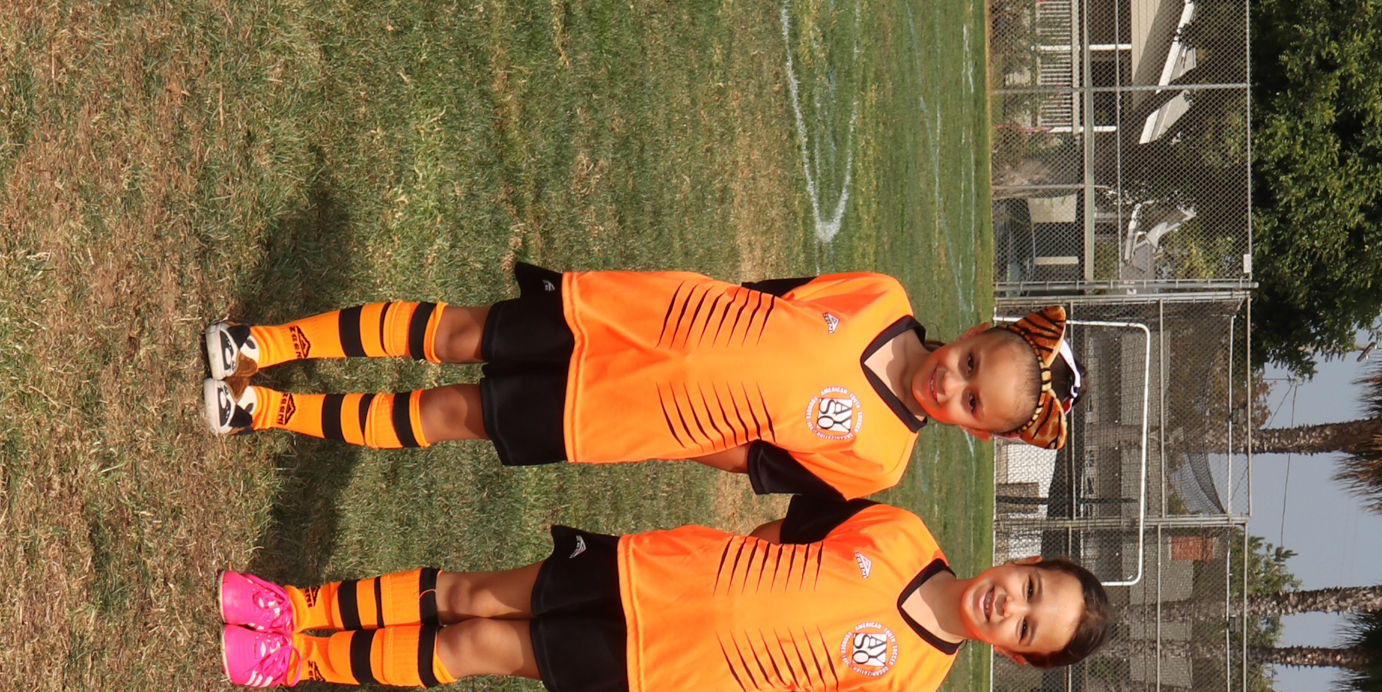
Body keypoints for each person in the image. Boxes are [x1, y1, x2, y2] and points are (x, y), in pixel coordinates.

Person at [200, 270, 1081, 499]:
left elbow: (750, 461)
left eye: (972, 404)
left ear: (975, 433)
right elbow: (767, 295)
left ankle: (265, 407)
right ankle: (266, 343)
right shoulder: (881, 298)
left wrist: (664, 422)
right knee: (463, 331)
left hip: (620, 414)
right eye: (972, 363)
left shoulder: (879, 460)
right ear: (974, 332)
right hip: (637, 318)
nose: (952, 384)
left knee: (457, 411)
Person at [215, 496, 1108, 692]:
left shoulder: (909, 687)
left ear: (1014, 654)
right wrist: (725, 574)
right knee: (475, 592)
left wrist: (713, 690)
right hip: (656, 574)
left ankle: (299, 659)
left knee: (482, 645)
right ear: (1024, 560)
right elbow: (783, 534)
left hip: (660, 670)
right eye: (1031, 588)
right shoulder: (901, 531)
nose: (1010, 605)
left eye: (1026, 628)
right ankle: (298, 604)